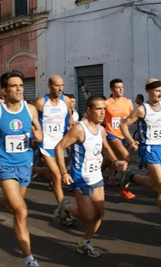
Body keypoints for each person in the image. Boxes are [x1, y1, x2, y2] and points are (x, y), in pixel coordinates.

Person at [0, 70, 43, 267]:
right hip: (4, 164)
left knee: (13, 208)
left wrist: (38, 135)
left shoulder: (30, 109)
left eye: (21, 85)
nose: (19, 89)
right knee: (21, 210)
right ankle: (29, 259)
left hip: (25, 163)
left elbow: (38, 129)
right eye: (14, 86)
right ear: (4, 90)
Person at [54, 95, 128, 257]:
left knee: (99, 213)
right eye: (98, 109)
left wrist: (116, 162)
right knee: (88, 216)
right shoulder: (79, 129)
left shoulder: (101, 129)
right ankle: (65, 207)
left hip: (96, 177)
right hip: (81, 178)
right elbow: (59, 148)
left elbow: (106, 147)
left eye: (104, 109)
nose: (103, 113)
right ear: (89, 110)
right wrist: (64, 172)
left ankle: (84, 242)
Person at [120, 78, 161, 238]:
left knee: (157, 186)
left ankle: (132, 176)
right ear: (148, 91)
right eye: (157, 91)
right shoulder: (142, 110)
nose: (160, 94)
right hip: (148, 149)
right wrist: (131, 141)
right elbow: (123, 124)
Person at [33, 75, 76, 225]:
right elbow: (31, 119)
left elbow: (70, 119)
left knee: (56, 176)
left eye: (62, 85)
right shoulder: (40, 103)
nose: (60, 88)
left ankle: (34, 170)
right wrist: (36, 132)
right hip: (46, 145)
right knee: (58, 176)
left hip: (61, 145)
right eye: (57, 85)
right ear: (49, 86)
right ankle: (63, 211)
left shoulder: (67, 101)